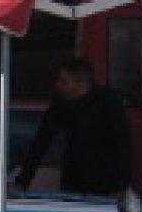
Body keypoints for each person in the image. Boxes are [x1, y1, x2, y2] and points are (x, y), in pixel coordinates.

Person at [13, 57, 131, 197]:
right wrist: (22, 181)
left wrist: (120, 186)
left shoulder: (109, 102)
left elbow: (122, 145)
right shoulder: (60, 103)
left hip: (105, 179)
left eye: (63, 81)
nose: (57, 85)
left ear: (80, 84)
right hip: (73, 175)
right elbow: (41, 141)